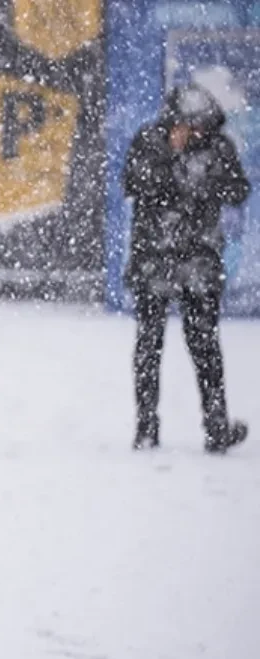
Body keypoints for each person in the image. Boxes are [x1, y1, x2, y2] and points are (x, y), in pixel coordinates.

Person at [123, 84, 250, 453]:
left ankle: (216, 429)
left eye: (201, 129)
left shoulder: (218, 146)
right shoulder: (149, 142)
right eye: (188, 127)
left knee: (205, 346)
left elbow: (238, 189)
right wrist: (171, 160)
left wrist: (204, 179)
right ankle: (146, 427)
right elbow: (133, 183)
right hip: (155, 260)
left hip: (199, 261)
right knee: (149, 345)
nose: (195, 134)